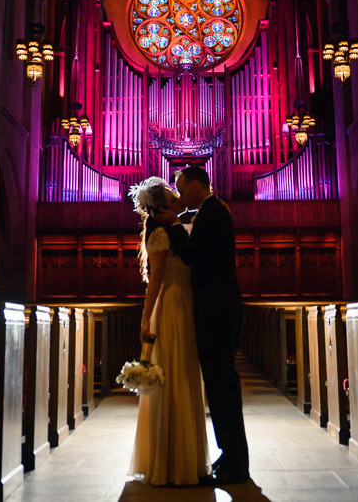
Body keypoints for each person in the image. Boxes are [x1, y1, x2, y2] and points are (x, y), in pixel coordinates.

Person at [159, 166, 250, 485]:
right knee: (219, 387)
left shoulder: (213, 213)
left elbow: (195, 256)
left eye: (182, 188)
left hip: (217, 312)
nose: (180, 194)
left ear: (197, 185)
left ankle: (235, 464)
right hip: (218, 310)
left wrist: (172, 228)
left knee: (222, 389)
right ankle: (229, 456)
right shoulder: (211, 210)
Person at [127, 176, 210, 486]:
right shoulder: (161, 234)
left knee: (185, 375)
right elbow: (156, 280)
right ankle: (172, 461)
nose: (179, 200)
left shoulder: (174, 228)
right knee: (175, 375)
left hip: (184, 304)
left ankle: (183, 457)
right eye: (174, 198)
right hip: (173, 306)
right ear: (162, 208)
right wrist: (146, 320)